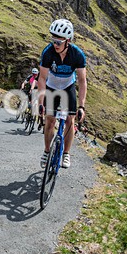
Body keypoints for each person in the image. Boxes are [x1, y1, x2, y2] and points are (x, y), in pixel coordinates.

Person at [37, 18, 87, 169]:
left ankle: (66, 153)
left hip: (68, 86)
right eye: (53, 40)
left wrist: (82, 107)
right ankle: (47, 151)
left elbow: (82, 81)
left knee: (70, 120)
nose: (55, 45)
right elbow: (42, 78)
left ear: (68, 40)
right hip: (51, 86)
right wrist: (41, 103)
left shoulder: (77, 54)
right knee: (50, 120)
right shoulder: (48, 52)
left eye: (59, 42)